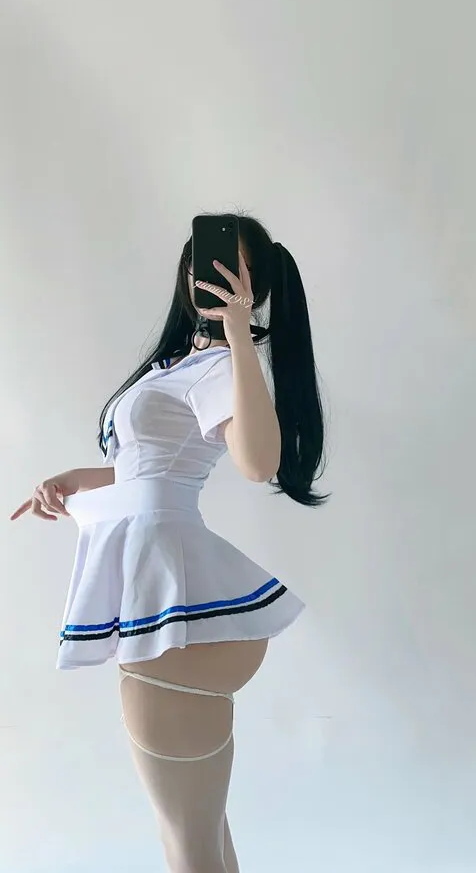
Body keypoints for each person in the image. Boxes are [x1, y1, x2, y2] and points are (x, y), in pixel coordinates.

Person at [10, 212, 329, 873]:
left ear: (255, 286)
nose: (210, 276)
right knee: (200, 837)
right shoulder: (178, 366)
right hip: (170, 605)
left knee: (185, 844)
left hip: (177, 613)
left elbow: (258, 462)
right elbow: (150, 473)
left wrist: (237, 333)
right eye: (202, 261)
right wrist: (75, 481)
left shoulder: (221, 365)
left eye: (233, 269)